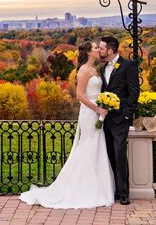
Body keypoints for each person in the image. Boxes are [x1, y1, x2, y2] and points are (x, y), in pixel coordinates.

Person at [19, 41, 115, 209]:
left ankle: (96, 186)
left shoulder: (95, 69)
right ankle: (81, 188)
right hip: (89, 111)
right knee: (88, 145)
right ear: (88, 52)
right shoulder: (84, 70)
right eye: (95, 48)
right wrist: (97, 108)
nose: (98, 50)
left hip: (98, 109)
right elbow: (79, 95)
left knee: (97, 145)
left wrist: (104, 105)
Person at [99, 36, 139, 205]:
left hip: (121, 119)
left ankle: (123, 193)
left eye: (101, 48)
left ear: (110, 50)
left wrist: (127, 115)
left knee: (119, 153)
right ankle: (114, 190)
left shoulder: (128, 66)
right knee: (109, 154)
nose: (99, 50)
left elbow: (134, 91)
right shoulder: (102, 68)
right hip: (106, 120)